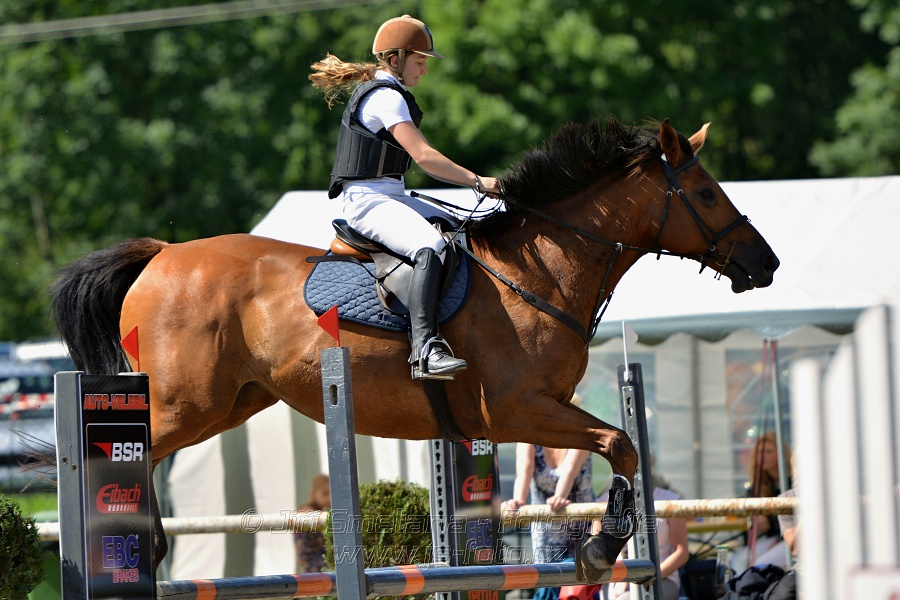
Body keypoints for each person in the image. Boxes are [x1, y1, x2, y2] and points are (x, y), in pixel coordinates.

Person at [310, 15, 501, 380]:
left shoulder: (392, 96)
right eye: (421, 61)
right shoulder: (385, 98)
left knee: (465, 228)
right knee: (429, 244)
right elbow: (426, 158)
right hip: (367, 201)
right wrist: (478, 181)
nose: (425, 69)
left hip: (391, 195)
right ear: (395, 60)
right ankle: (425, 348)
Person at [502, 428, 598, 600]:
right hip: (545, 527)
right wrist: (517, 501)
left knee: (580, 587)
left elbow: (570, 470)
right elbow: (524, 471)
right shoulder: (529, 435)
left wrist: (559, 498)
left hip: (580, 523)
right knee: (548, 583)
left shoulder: (579, 433)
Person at [595, 457, 689, 600]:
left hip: (661, 578)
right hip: (616, 582)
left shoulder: (670, 500)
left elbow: (681, 552)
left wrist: (649, 576)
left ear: (649, 467)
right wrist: (619, 578)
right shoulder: (602, 502)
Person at [733, 432, 793, 572]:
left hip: (790, 539)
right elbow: (746, 503)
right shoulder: (762, 482)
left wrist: (771, 525)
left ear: (782, 454)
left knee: (759, 564)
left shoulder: (793, 481)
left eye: (769, 451)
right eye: (760, 452)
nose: (763, 456)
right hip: (770, 538)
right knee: (738, 560)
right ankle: (743, 593)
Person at [294, 473, 331, 573]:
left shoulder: (325, 512)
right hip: (312, 567)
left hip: (320, 565)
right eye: (325, 494)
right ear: (313, 494)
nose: (329, 498)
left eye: (331, 494)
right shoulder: (305, 510)